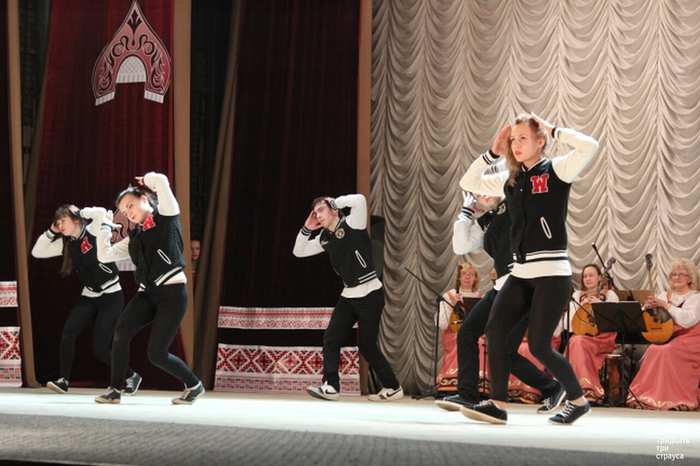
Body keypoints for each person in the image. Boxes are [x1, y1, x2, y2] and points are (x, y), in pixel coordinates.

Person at [458, 113, 599, 425]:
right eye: (513, 140)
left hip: (552, 273)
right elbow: (468, 183)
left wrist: (555, 129)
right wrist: (492, 154)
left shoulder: (556, 170)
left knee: (539, 346)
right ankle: (498, 404)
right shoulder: (510, 178)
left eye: (523, 138)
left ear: (540, 141)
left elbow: (590, 146)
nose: (516, 145)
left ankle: (577, 400)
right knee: (494, 332)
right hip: (521, 273)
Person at [435, 191, 565, 415]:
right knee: (468, 333)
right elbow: (460, 246)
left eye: (487, 189)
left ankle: (552, 388)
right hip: (502, 287)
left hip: (522, 286)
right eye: (478, 193)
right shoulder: (486, 220)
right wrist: (466, 214)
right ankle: (467, 394)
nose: (483, 196)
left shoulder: (515, 206)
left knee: (503, 349)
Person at [94, 172, 204, 405]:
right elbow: (104, 255)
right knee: (121, 333)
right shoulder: (134, 235)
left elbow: (162, 181)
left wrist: (148, 179)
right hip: (147, 293)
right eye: (125, 212)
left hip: (172, 293)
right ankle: (115, 389)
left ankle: (194, 384)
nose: (129, 213)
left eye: (130, 206)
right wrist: (105, 227)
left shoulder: (167, 216)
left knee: (156, 354)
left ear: (144, 199)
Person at [293, 194, 403, 402]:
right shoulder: (324, 238)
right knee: (331, 337)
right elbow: (299, 251)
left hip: (370, 293)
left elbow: (360, 200)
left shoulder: (353, 223)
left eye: (321, 210)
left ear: (333, 210)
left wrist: (335, 202)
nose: (318, 215)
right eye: (315, 213)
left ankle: (393, 386)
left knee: (367, 345)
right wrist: (306, 228)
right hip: (349, 294)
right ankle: (331, 386)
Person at [32, 205, 140, 395]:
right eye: (57, 222)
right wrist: (51, 231)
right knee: (68, 333)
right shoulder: (65, 243)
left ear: (75, 220)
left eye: (63, 220)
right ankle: (63, 380)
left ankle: (131, 375)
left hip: (111, 295)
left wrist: (80, 212)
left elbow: (100, 212)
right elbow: (37, 252)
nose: (60, 225)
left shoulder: (92, 230)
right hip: (89, 295)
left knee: (100, 349)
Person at [627, 258, 700, 410]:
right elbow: (648, 319)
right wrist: (647, 308)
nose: (677, 277)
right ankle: (648, 395)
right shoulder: (663, 295)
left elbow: (688, 320)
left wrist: (666, 306)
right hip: (668, 337)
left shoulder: (696, 297)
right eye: (674, 274)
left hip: (690, 339)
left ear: (690, 278)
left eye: (682, 274)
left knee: (666, 351)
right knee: (653, 349)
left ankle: (676, 398)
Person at [559, 263, 619, 404]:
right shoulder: (577, 296)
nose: (587, 279)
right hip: (581, 336)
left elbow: (615, 321)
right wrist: (582, 306)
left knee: (577, 342)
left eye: (591, 275)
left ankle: (586, 389)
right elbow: (567, 325)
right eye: (585, 276)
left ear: (599, 277)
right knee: (577, 341)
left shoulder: (610, 295)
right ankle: (571, 389)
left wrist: (600, 306)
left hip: (603, 338)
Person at [435, 262, 481, 393]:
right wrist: (452, 304)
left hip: (474, 334)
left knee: (480, 343)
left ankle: (477, 386)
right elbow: (442, 324)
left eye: (471, 274)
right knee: (463, 340)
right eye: (464, 274)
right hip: (452, 333)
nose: (467, 277)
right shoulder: (449, 296)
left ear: (475, 278)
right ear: (459, 277)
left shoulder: (481, 297)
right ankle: (454, 384)